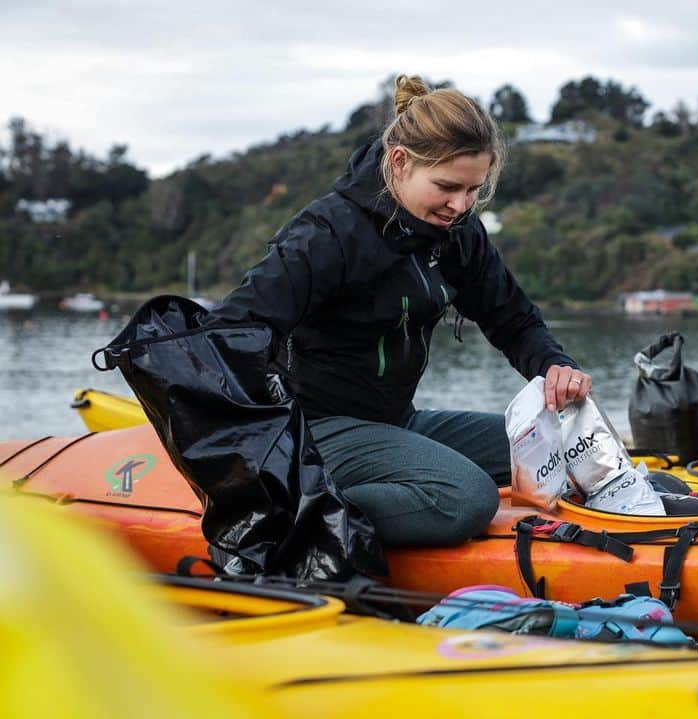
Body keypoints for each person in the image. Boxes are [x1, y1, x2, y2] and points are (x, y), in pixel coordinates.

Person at [208, 75, 592, 547]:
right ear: (399, 162)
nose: (460, 205)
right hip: (316, 432)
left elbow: (512, 319)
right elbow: (229, 334)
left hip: (396, 421)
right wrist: (258, 454)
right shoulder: (326, 234)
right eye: (447, 187)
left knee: (566, 447)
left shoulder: (458, 233)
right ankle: (297, 515)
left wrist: (556, 366)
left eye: (474, 190)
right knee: (465, 498)